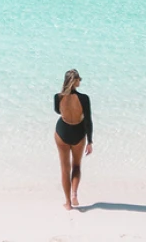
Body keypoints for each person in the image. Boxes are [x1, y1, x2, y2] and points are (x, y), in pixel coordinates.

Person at [53, 68, 93, 210]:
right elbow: (88, 120)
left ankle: (68, 203)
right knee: (76, 166)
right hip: (78, 132)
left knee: (65, 169)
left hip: (62, 132)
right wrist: (90, 141)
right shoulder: (84, 98)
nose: (80, 81)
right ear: (74, 81)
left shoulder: (58, 97)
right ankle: (74, 194)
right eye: (79, 79)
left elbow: (58, 111)